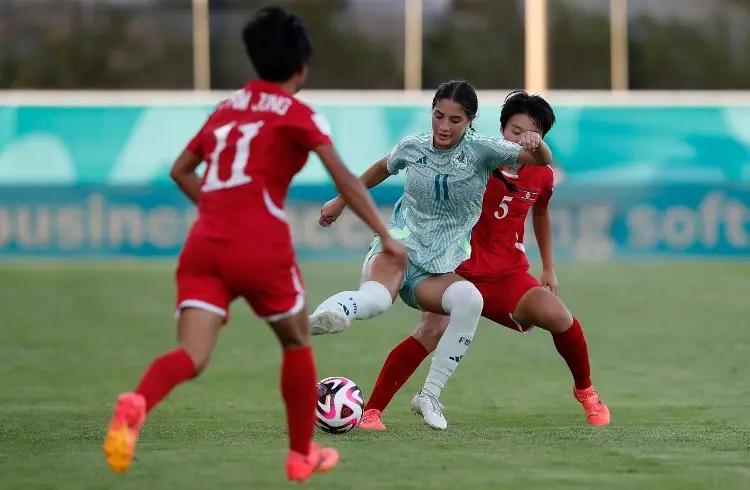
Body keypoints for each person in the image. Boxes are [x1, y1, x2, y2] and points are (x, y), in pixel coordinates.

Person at [101, 7, 406, 483]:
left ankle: (137, 401)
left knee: (192, 355)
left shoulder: (225, 109)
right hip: (260, 245)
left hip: (204, 244)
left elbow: (180, 169)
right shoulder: (299, 113)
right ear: (301, 68)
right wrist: (386, 236)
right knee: (297, 342)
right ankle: (300, 455)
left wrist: (215, 210)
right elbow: (343, 177)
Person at [357, 91, 610, 431]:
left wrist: (548, 267)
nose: (520, 139)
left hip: (507, 274)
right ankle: (372, 412)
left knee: (559, 316)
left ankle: (587, 392)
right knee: (431, 330)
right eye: (514, 131)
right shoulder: (474, 160)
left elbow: (541, 212)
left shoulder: (543, 175)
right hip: (455, 267)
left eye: (530, 133)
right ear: (501, 130)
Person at [309, 81, 554, 421]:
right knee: (378, 299)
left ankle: (430, 396)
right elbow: (382, 168)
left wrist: (536, 143)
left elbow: (541, 160)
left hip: (436, 266)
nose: (443, 126)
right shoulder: (413, 145)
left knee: (470, 299)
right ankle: (323, 317)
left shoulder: (484, 150)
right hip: (398, 247)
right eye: (438, 116)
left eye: (455, 120)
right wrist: (340, 201)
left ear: (470, 121)